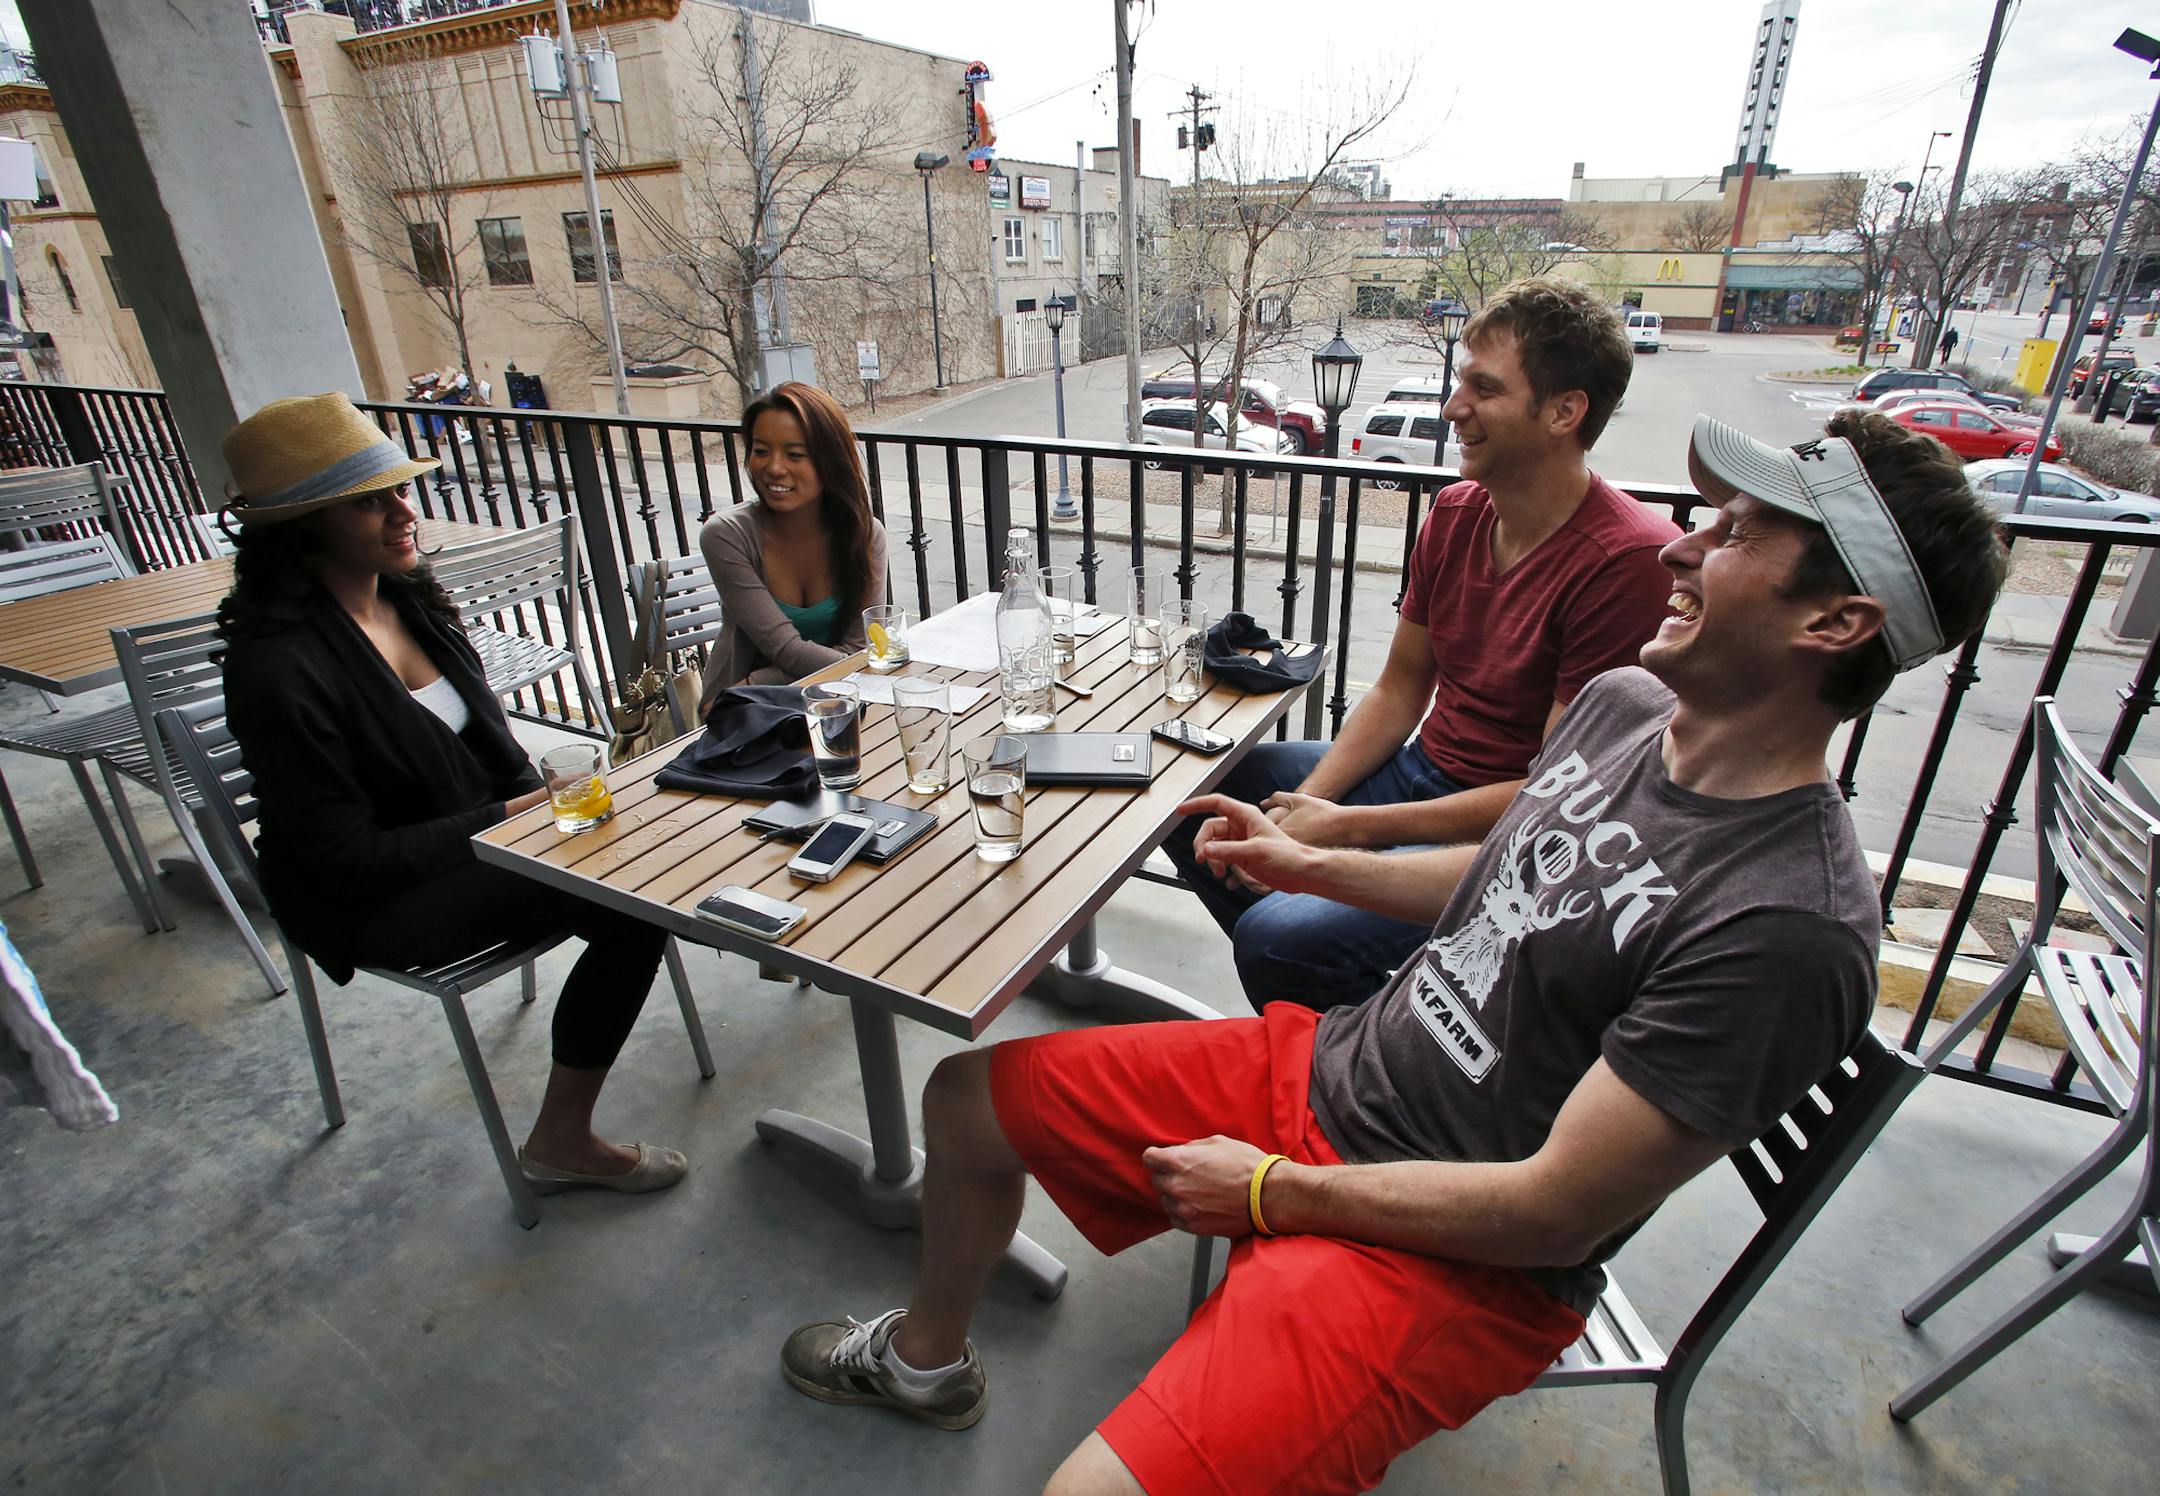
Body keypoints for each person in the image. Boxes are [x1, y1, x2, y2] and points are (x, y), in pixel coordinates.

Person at [776, 407, 2008, 1496]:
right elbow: (1513, 881)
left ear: (1839, 620)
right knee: (973, 1092)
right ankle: (926, 1363)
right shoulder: (1629, 707)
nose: (1682, 547)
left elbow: (1551, 1211)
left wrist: (1271, 1193)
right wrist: (1314, 862)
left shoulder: (1788, 925)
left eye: (1738, 536)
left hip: (1459, 1258)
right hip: (1334, 1073)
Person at [1162, 278, 1680, 1012]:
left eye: (1484, 388)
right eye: (1459, 380)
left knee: (1278, 937)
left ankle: (1358, 1047)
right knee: (1197, 809)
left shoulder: (1625, 563)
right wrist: (1302, 811)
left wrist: (1336, 833)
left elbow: (1552, 798)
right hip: (1417, 772)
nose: (1452, 407)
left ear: (1565, 412)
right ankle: (1361, 1006)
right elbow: (1401, 689)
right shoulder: (1458, 511)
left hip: (1506, 833)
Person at [216, 393, 688, 1195]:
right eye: (370, 500)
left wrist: (563, 803)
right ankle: (562, 1141)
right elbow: (345, 861)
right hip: (367, 899)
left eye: (400, 487)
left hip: (464, 839)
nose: (406, 510)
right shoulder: (276, 669)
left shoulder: (406, 598)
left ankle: (566, 1124)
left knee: (640, 845)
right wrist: (513, 818)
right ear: (304, 528)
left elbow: (492, 756)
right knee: (628, 901)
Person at [694, 381, 890, 717]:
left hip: (830, 705)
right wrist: (855, 667)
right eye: (761, 451)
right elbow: (785, 648)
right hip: (741, 714)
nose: (774, 468)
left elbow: (859, 648)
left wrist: (757, 678)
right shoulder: (726, 536)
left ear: (831, 461)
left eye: (795, 454)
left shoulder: (865, 535)